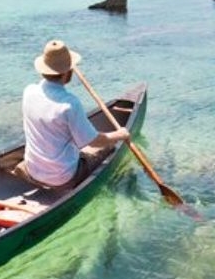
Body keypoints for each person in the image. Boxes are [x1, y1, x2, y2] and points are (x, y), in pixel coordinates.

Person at [17, 40, 130, 190]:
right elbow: (95, 142)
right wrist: (120, 135)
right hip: (62, 177)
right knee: (107, 147)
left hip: (32, 170)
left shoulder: (29, 91)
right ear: (66, 72)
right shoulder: (69, 104)